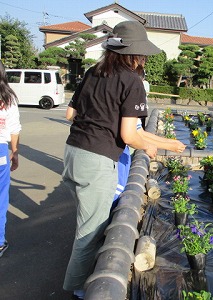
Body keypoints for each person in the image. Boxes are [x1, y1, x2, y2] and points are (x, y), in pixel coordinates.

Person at [62, 20, 184, 299]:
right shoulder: (132, 81)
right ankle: (80, 291)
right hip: (96, 161)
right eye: (141, 54)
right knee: (89, 235)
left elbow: (76, 114)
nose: (143, 59)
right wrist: (164, 144)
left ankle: (82, 281)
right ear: (132, 54)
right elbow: (130, 135)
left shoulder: (94, 72)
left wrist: (162, 143)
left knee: (88, 223)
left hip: (72, 153)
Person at [0, 60, 21, 258]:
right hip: (1, 152)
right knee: (1, 196)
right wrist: (15, 153)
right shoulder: (8, 98)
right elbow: (14, 129)